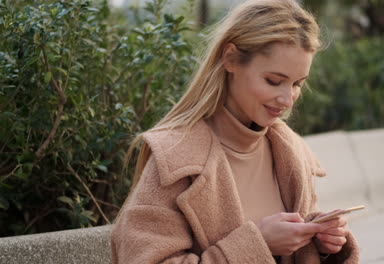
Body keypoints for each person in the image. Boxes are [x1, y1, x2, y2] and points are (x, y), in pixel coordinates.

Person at [111, 0, 360, 263]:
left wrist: (321, 243)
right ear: (230, 59)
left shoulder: (291, 153)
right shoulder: (175, 160)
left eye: (297, 84)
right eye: (274, 81)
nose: (288, 99)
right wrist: (258, 244)